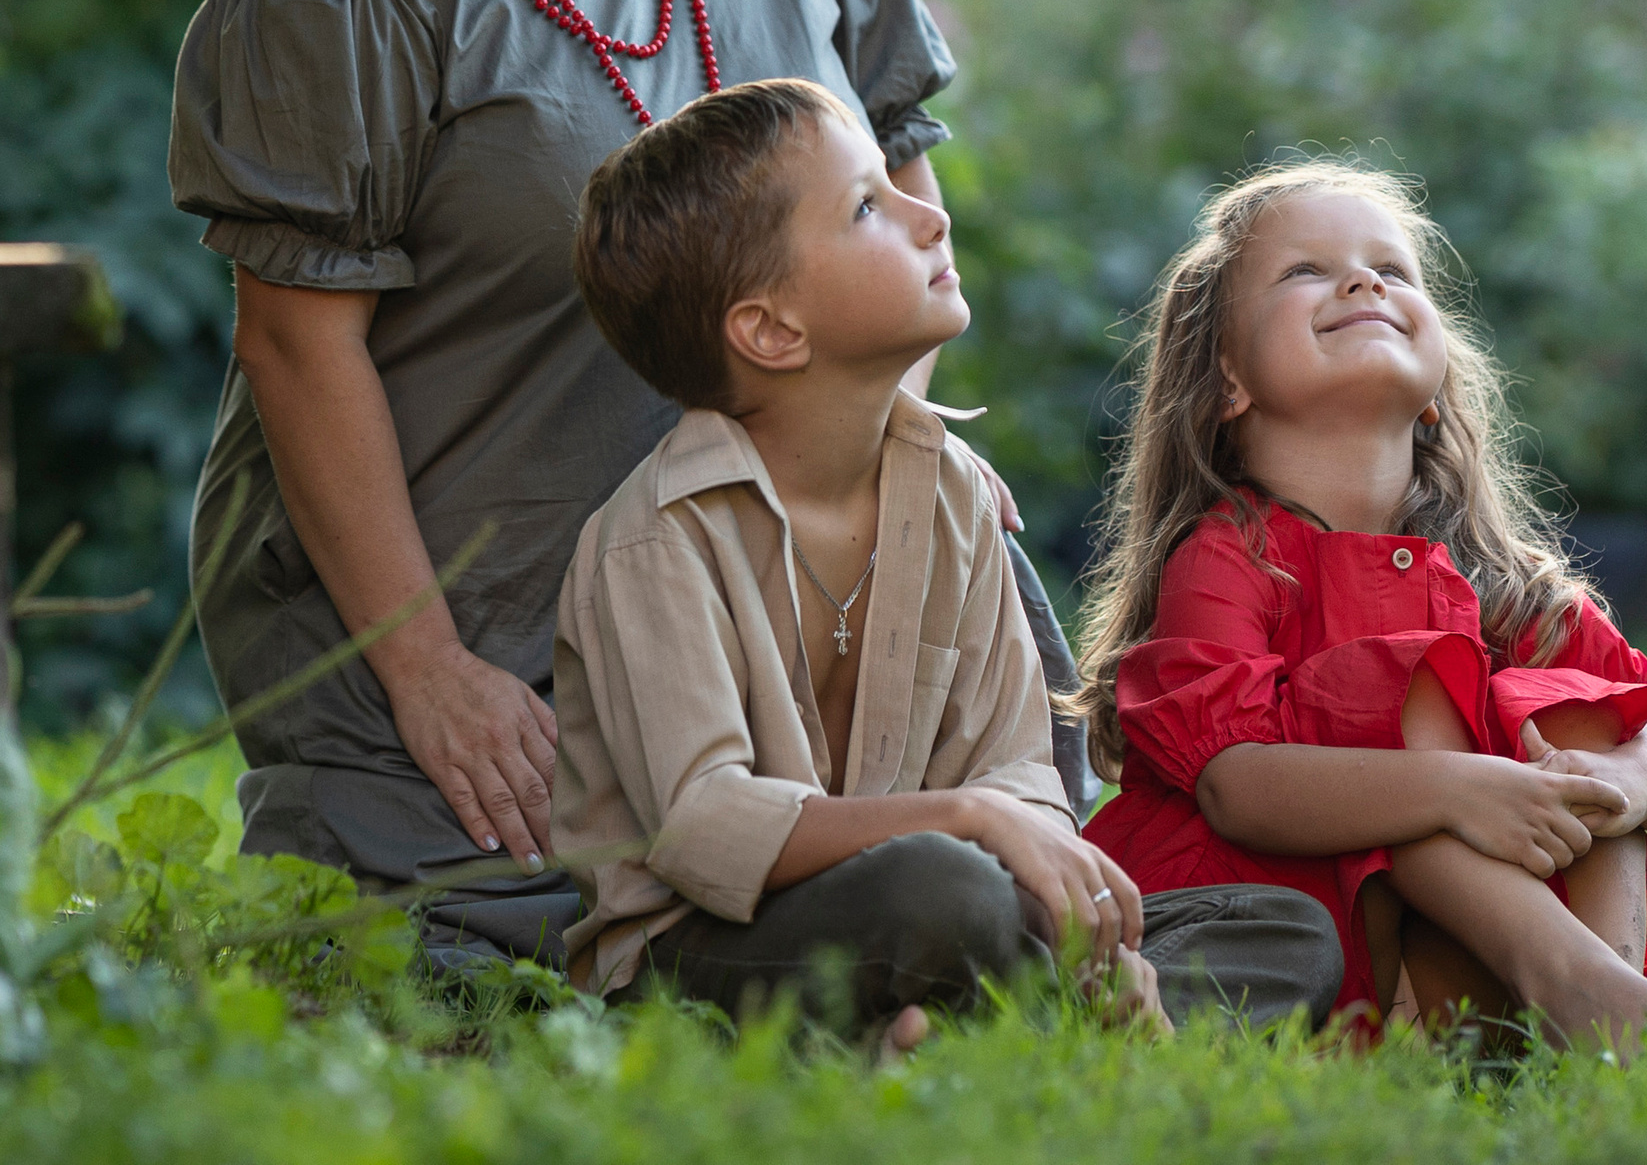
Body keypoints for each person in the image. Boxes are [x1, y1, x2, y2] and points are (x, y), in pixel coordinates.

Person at [171, 0, 1074, 964]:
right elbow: (294, 349)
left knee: (1021, 898)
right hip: (485, 646)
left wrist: (901, 528)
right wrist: (430, 670)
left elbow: (907, 218)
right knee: (476, 977)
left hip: (791, 636)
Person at [553, 78, 1349, 1048]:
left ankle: (943, 1038)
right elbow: (703, 825)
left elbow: (1017, 766)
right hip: (713, 950)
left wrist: (1089, 930)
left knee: (1283, 931)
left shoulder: (954, 493)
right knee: (943, 885)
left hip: (952, 915)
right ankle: (1012, 1035)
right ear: (771, 329)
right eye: (865, 206)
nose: (929, 214)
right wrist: (966, 819)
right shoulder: (654, 537)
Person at [1071, 162, 1647, 1054]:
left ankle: (1607, 1000)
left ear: (1437, 384)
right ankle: (1587, 997)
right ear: (1227, 380)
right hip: (1321, 932)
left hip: (1480, 959)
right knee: (1398, 709)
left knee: (1588, 724)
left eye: (1393, 271)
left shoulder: (1493, 574)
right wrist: (1457, 788)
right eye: (1304, 272)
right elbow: (1236, 787)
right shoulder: (1229, 558)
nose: (1363, 281)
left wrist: (1623, 788)